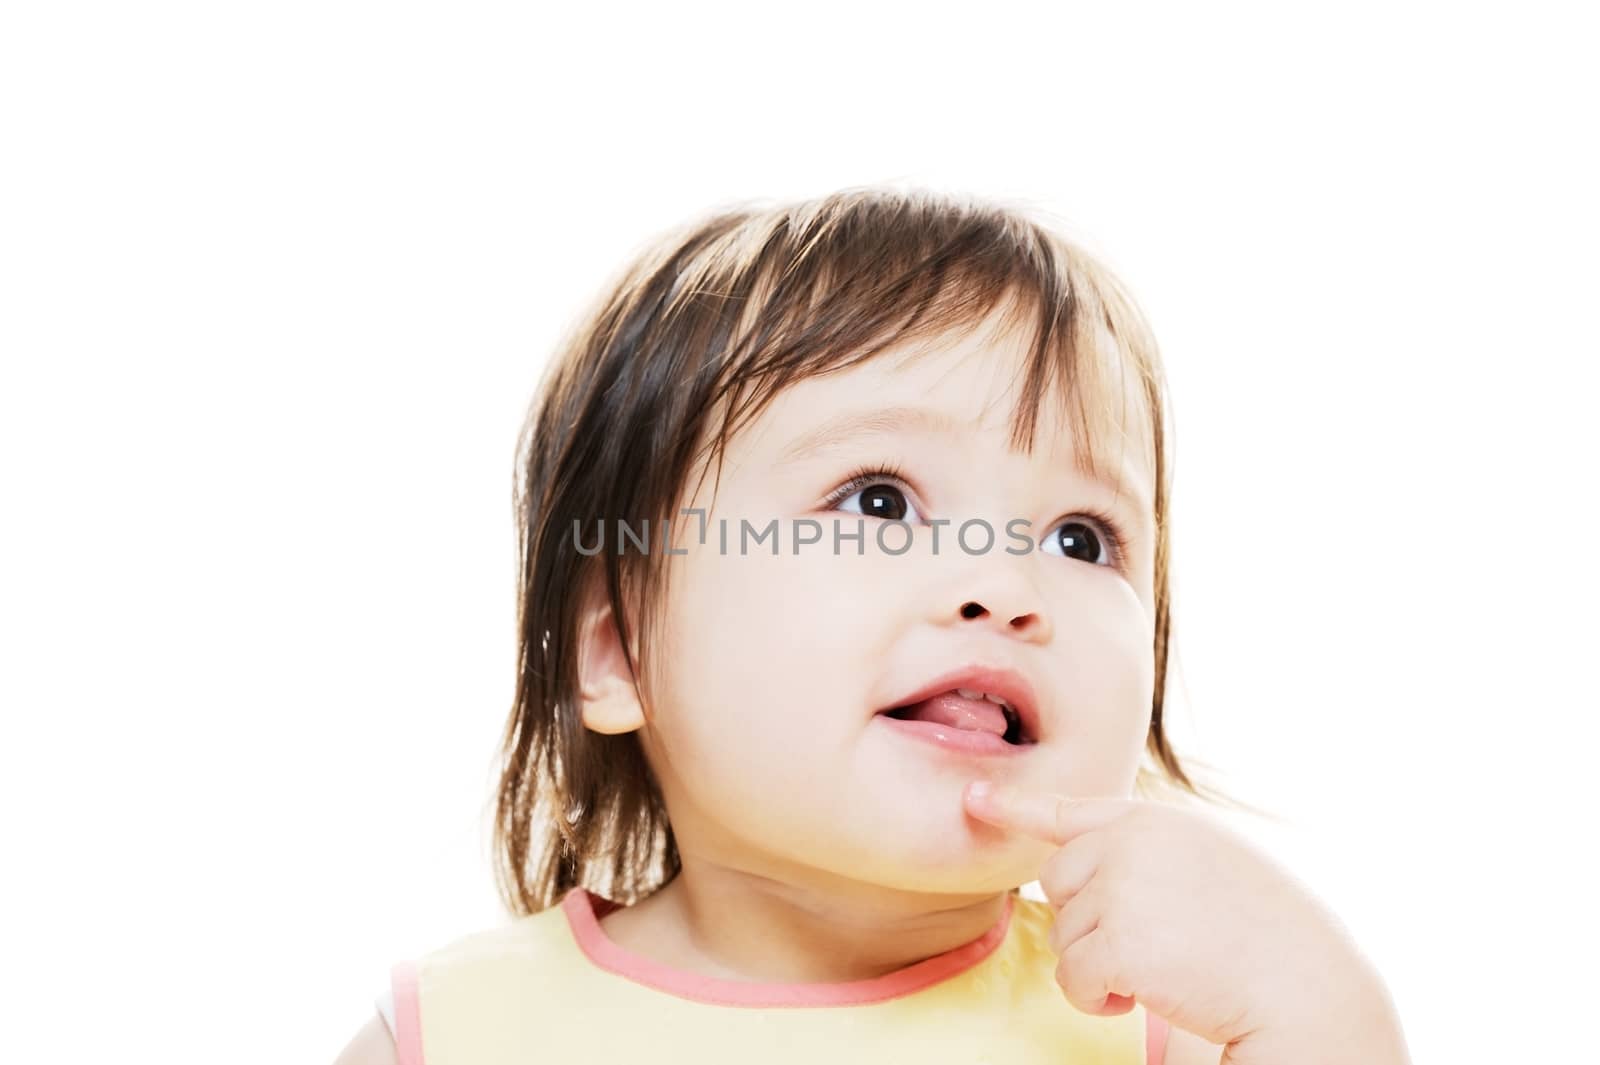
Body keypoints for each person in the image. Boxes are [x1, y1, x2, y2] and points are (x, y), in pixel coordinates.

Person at [333, 186, 1410, 1065]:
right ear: (617, 650)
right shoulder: (451, 1037)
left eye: (1082, 538)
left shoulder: (1166, 1029)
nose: (1006, 584)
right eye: (879, 501)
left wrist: (1325, 1022)